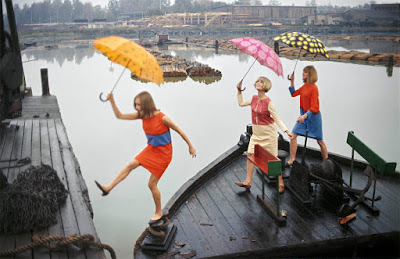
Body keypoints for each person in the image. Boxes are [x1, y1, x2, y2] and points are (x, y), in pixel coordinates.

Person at [95, 91, 196, 224]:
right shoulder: (142, 116)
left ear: (146, 104)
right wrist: (112, 101)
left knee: (151, 184)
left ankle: (158, 212)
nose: (137, 108)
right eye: (135, 105)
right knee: (131, 164)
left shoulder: (163, 118)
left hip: (163, 154)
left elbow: (179, 130)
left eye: (139, 105)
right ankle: (108, 188)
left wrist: (190, 146)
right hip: (151, 149)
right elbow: (120, 116)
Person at [236, 77, 293, 193]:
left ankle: (280, 182)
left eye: (261, 82)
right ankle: (248, 182)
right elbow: (241, 103)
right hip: (256, 134)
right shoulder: (253, 99)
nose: (258, 83)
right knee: (250, 154)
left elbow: (277, 118)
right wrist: (239, 91)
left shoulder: (268, 102)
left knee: (273, 160)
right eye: (257, 81)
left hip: (269, 134)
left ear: (265, 85)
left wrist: (286, 131)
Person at [287, 65, 328, 166]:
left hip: (313, 117)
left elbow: (314, 107)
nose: (303, 74)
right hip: (303, 116)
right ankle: (292, 159)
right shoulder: (305, 86)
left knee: (320, 141)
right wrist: (292, 81)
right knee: (293, 136)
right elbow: (293, 94)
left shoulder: (314, 88)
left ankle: (327, 163)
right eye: (303, 72)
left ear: (310, 74)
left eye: (305, 72)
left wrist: (304, 116)